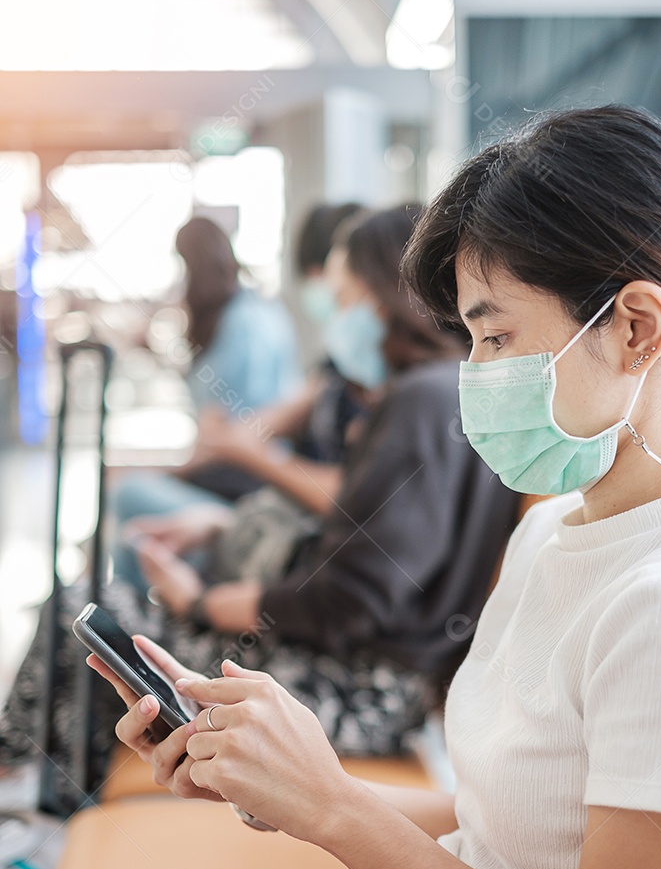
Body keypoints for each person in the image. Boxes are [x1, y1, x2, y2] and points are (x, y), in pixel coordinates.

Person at [11, 103, 661, 869]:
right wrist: (298, 785)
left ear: (636, 327)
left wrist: (338, 812)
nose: (475, 375)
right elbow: (509, 829)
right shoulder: (560, 525)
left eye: (496, 337)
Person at [0, 206, 518, 819]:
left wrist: (201, 604)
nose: (340, 319)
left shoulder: (419, 403)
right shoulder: (434, 397)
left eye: (349, 299)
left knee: (82, 616)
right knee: (94, 624)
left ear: (385, 300)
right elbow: (362, 547)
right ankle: (49, 801)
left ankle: (33, 796)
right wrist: (221, 538)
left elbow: (354, 596)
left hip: (357, 687)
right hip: (367, 676)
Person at [110, 216, 301, 530]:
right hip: (251, 475)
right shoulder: (256, 312)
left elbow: (223, 439)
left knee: (127, 494)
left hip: (249, 485)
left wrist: (159, 472)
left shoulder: (240, 329)